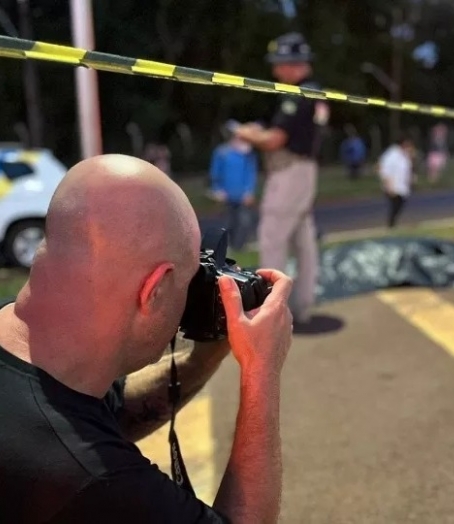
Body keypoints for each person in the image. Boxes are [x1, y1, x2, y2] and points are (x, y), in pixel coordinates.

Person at [0, 154, 293, 524]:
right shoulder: (91, 477)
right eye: (188, 282)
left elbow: (107, 416)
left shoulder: (44, 368)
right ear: (153, 292)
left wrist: (201, 358)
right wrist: (261, 371)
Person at [232, 32, 330, 325]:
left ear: (293, 64)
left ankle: (271, 313)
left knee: (273, 237)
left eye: (280, 64)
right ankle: (302, 306)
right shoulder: (315, 92)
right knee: (303, 240)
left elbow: (275, 139)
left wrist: (248, 134)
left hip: (289, 171)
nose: (276, 71)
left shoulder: (298, 94)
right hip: (304, 171)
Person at [209, 127, 258, 251]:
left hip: (242, 195)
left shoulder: (247, 154)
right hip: (226, 195)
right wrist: (217, 189)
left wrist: (249, 191)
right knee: (226, 222)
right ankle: (226, 245)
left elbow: (250, 173)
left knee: (244, 221)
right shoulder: (222, 152)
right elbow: (215, 172)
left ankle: (240, 245)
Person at [378, 134, 414, 228]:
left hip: (401, 186)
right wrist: (389, 185)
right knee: (396, 205)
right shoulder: (391, 155)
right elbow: (385, 171)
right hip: (393, 185)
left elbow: (407, 168)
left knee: (400, 204)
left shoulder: (404, 155)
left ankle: (392, 224)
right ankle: (391, 224)